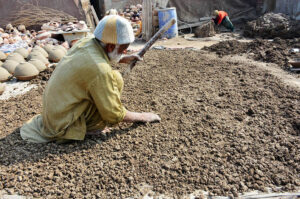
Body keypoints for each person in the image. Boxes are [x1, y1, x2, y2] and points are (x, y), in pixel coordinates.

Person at [20, 15, 161, 143]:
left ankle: (85, 122)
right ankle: (88, 128)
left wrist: (122, 58)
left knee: (115, 78)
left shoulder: (87, 42)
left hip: (55, 112)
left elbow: (99, 57)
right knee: (112, 82)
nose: (125, 52)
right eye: (123, 49)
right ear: (111, 45)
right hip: (62, 124)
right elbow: (114, 114)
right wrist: (142, 116)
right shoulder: (99, 70)